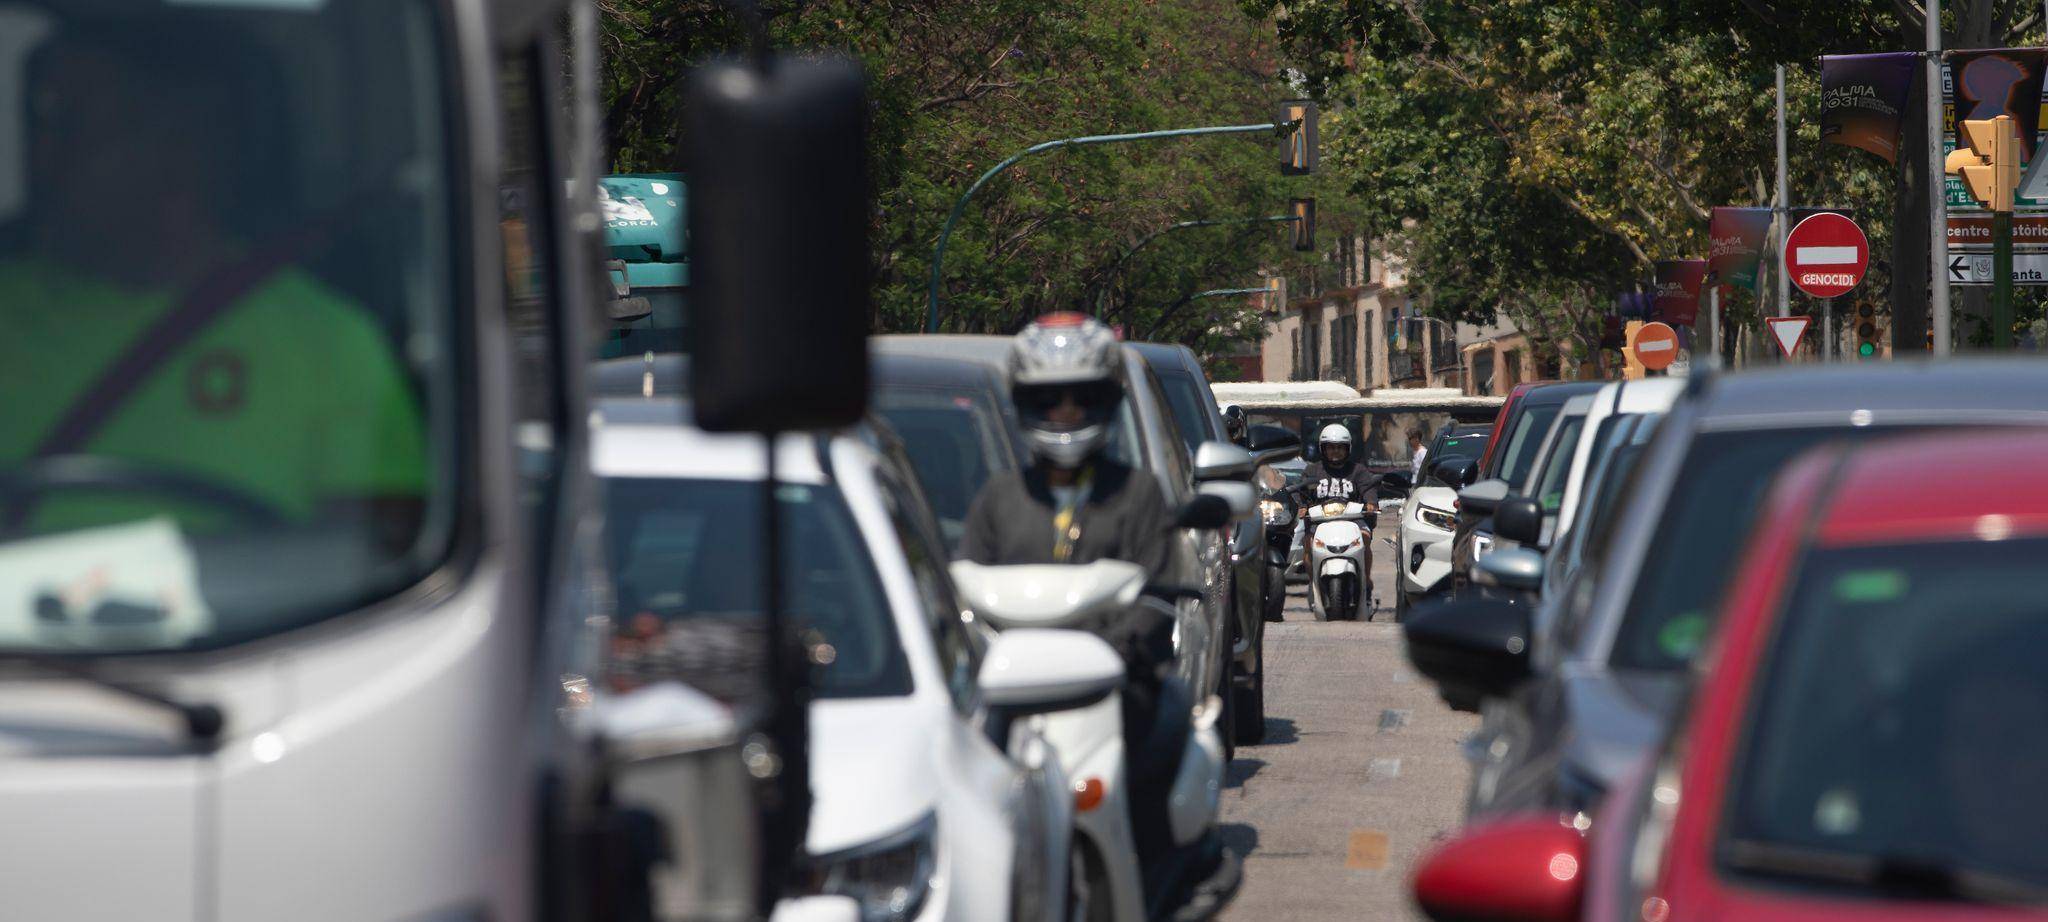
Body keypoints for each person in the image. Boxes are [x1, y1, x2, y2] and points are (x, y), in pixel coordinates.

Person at [0, 31, 429, 547]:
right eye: (41, 126)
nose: (42, 162)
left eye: (76, 130)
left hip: (279, 631)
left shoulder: (333, 349)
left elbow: (381, 570)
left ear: (179, 152)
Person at [1296, 423, 1381, 509]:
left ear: (1348, 449)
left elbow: (1368, 488)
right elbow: (1300, 493)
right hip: (1318, 520)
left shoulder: (1358, 470)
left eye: (1340, 447)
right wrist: (1301, 507)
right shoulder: (1312, 471)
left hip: (1353, 519)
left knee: (1362, 523)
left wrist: (1371, 502)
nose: (1336, 451)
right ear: (1323, 449)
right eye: (1331, 447)